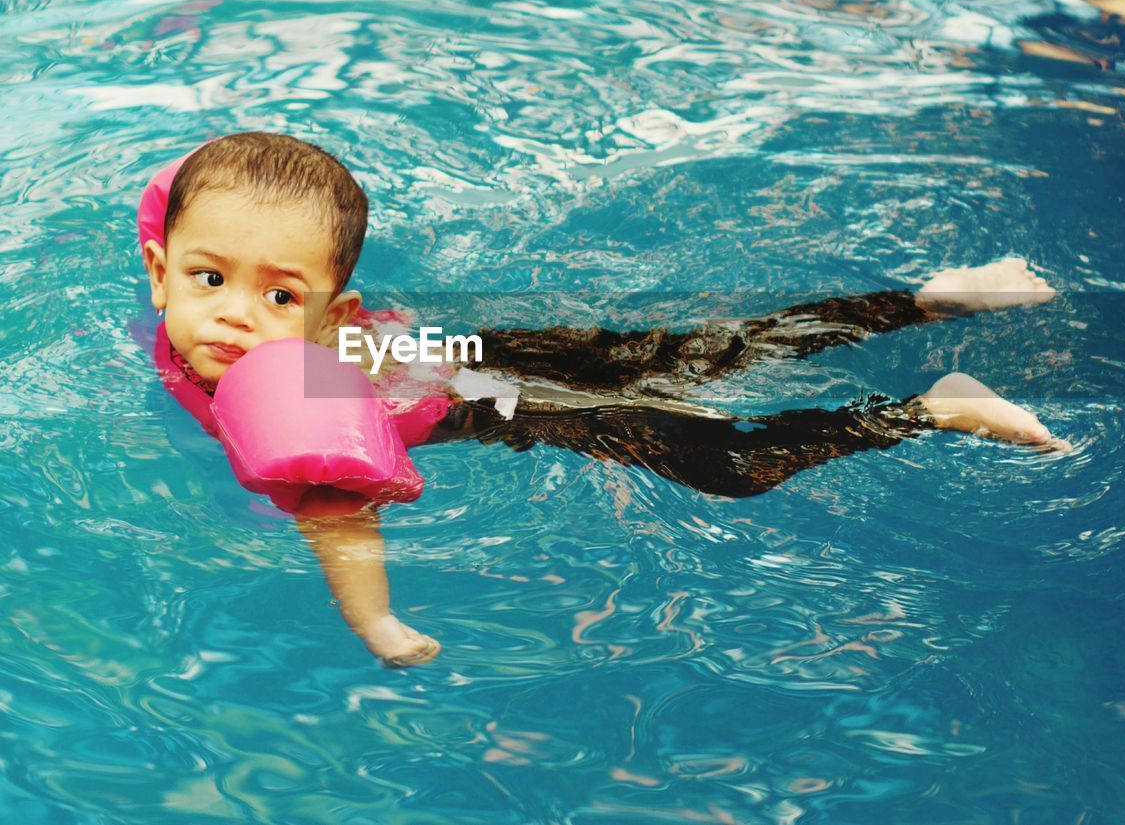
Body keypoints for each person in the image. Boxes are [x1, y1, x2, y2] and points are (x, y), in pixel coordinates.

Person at [138, 132, 1067, 667]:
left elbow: (337, 510)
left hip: (497, 392)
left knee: (726, 454)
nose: (233, 318)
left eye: (279, 297)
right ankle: (926, 307)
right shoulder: (214, 323)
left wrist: (376, 621)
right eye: (208, 278)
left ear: (334, 315)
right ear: (159, 273)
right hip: (458, 354)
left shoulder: (270, 395)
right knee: (707, 358)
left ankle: (927, 387)